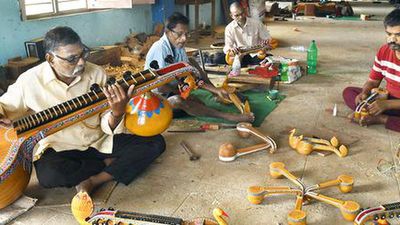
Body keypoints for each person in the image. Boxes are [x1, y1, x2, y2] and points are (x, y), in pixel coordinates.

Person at [0, 26, 166, 219]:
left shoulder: (96, 74)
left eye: (83, 54)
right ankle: (108, 164)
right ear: (50, 59)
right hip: (60, 146)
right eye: (71, 59)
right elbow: (5, 105)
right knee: (48, 176)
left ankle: (94, 180)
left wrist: (117, 112)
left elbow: (107, 122)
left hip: (99, 140)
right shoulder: (29, 81)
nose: (80, 62)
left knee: (156, 142)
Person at [145, 12, 254, 123]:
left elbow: (189, 74)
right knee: (178, 100)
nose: (184, 38)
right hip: (157, 99)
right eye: (180, 34)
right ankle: (228, 117)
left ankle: (216, 94)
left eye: (187, 34)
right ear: (168, 32)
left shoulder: (178, 45)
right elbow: (161, 88)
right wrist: (182, 93)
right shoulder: (160, 49)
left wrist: (214, 89)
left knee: (191, 62)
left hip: (174, 87)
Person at [343, 8, 400, 132]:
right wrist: (365, 93)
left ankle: (381, 119)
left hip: (391, 104)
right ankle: (372, 112)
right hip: (387, 99)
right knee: (350, 92)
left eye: (398, 35)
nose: (392, 39)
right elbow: (373, 82)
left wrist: (387, 105)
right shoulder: (384, 51)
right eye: (389, 34)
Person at [215, 2, 272, 67]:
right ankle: (244, 64)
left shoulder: (257, 23)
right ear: (231, 16)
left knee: (269, 60)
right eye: (237, 15)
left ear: (245, 11)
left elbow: (268, 38)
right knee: (217, 59)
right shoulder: (229, 28)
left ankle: (243, 65)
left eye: (242, 13)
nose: (241, 17)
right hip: (239, 55)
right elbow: (227, 46)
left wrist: (266, 42)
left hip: (255, 55)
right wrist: (231, 49)